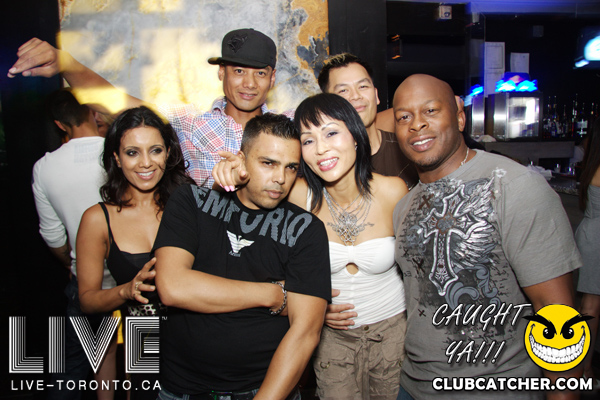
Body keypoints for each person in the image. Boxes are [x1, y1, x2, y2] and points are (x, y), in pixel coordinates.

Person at [391, 74, 582, 400]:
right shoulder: (403, 206)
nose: (417, 124)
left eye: (431, 111)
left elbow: (556, 311)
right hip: (413, 387)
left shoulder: (514, 186)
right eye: (403, 117)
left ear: (460, 117)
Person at [213, 93, 408, 399]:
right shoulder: (296, 195)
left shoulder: (393, 190)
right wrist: (233, 174)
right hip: (331, 341)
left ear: (355, 136)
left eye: (331, 133)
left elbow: (417, 268)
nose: (320, 149)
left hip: (393, 333)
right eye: (308, 140)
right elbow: (240, 223)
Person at [153, 113, 331, 399]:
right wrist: (273, 294)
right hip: (182, 390)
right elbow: (173, 288)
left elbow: (305, 333)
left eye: (291, 167)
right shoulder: (190, 202)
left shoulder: (306, 229)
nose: (280, 178)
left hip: (263, 389)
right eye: (268, 163)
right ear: (241, 159)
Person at [8, 29, 293, 188]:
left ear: (272, 78)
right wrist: (67, 64)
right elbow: (115, 103)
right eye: (239, 71)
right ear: (222, 73)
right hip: (209, 255)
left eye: (260, 73)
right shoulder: (190, 123)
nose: (249, 83)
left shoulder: (290, 126)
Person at [76, 106, 194, 399]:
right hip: (142, 340)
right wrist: (126, 291)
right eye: (132, 152)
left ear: (168, 152)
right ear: (116, 158)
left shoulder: (190, 206)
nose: (146, 163)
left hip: (196, 338)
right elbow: (87, 301)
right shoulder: (97, 219)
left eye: (155, 150)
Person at [32, 89, 117, 400]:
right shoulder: (121, 152)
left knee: (72, 365)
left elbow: (53, 236)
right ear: (93, 112)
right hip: (136, 272)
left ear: (60, 124)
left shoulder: (44, 168)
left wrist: (73, 262)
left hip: (87, 280)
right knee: (142, 360)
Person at [318, 53, 419, 188]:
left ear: (376, 95)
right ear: (327, 105)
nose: (356, 96)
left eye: (363, 86)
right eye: (343, 90)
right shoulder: (325, 162)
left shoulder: (407, 147)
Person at [576, 117, 600, 383]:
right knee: (591, 306)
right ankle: (584, 368)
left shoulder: (592, 161)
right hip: (597, 238)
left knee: (590, 304)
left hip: (591, 233)